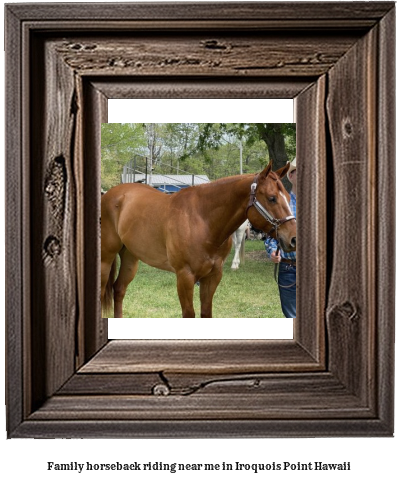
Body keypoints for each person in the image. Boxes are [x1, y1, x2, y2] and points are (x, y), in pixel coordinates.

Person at [264, 158, 297, 318]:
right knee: (291, 318)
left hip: (316, 269)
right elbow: (271, 236)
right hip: (288, 268)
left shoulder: (320, 204)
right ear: (291, 176)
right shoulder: (281, 204)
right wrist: (272, 251)